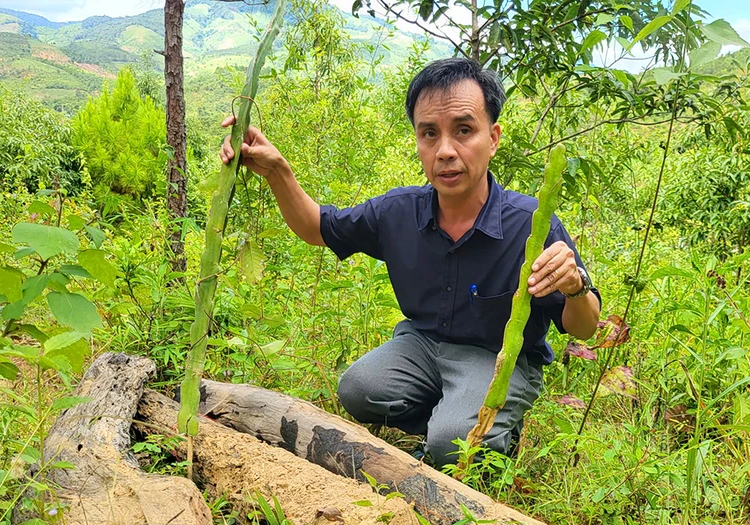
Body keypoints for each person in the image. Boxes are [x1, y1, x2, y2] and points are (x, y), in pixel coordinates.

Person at [220, 58, 601, 468]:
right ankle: (450, 418)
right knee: (357, 389)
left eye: (464, 130)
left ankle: (488, 432)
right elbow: (317, 227)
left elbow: (584, 325)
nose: (445, 151)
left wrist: (574, 285)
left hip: (496, 359)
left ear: (492, 138)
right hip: (422, 346)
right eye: (429, 134)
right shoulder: (399, 212)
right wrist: (278, 170)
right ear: (417, 141)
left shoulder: (530, 225)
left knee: (453, 445)